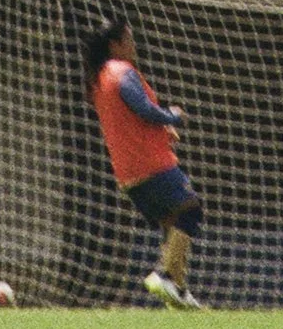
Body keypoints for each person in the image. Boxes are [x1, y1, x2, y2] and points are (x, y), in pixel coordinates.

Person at [85, 18, 205, 309]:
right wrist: (171, 116)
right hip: (151, 165)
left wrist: (162, 130)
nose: (134, 45)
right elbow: (143, 109)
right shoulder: (122, 72)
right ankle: (164, 276)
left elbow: (127, 120)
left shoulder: (98, 78)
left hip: (128, 173)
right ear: (116, 45)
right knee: (190, 211)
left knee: (170, 225)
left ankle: (178, 291)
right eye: (129, 39)